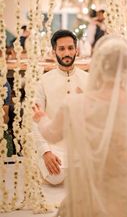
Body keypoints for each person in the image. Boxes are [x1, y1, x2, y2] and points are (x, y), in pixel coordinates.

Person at [33, 35, 127, 217]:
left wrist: (41, 118)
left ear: (98, 66)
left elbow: (50, 134)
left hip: (92, 189)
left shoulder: (75, 103)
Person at [33, 29, 88, 185]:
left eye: (70, 48)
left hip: (82, 147)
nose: (67, 53)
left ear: (76, 50)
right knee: (55, 177)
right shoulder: (44, 81)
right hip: (54, 146)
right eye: (62, 49)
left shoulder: (88, 79)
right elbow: (36, 119)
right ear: (54, 52)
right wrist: (46, 152)